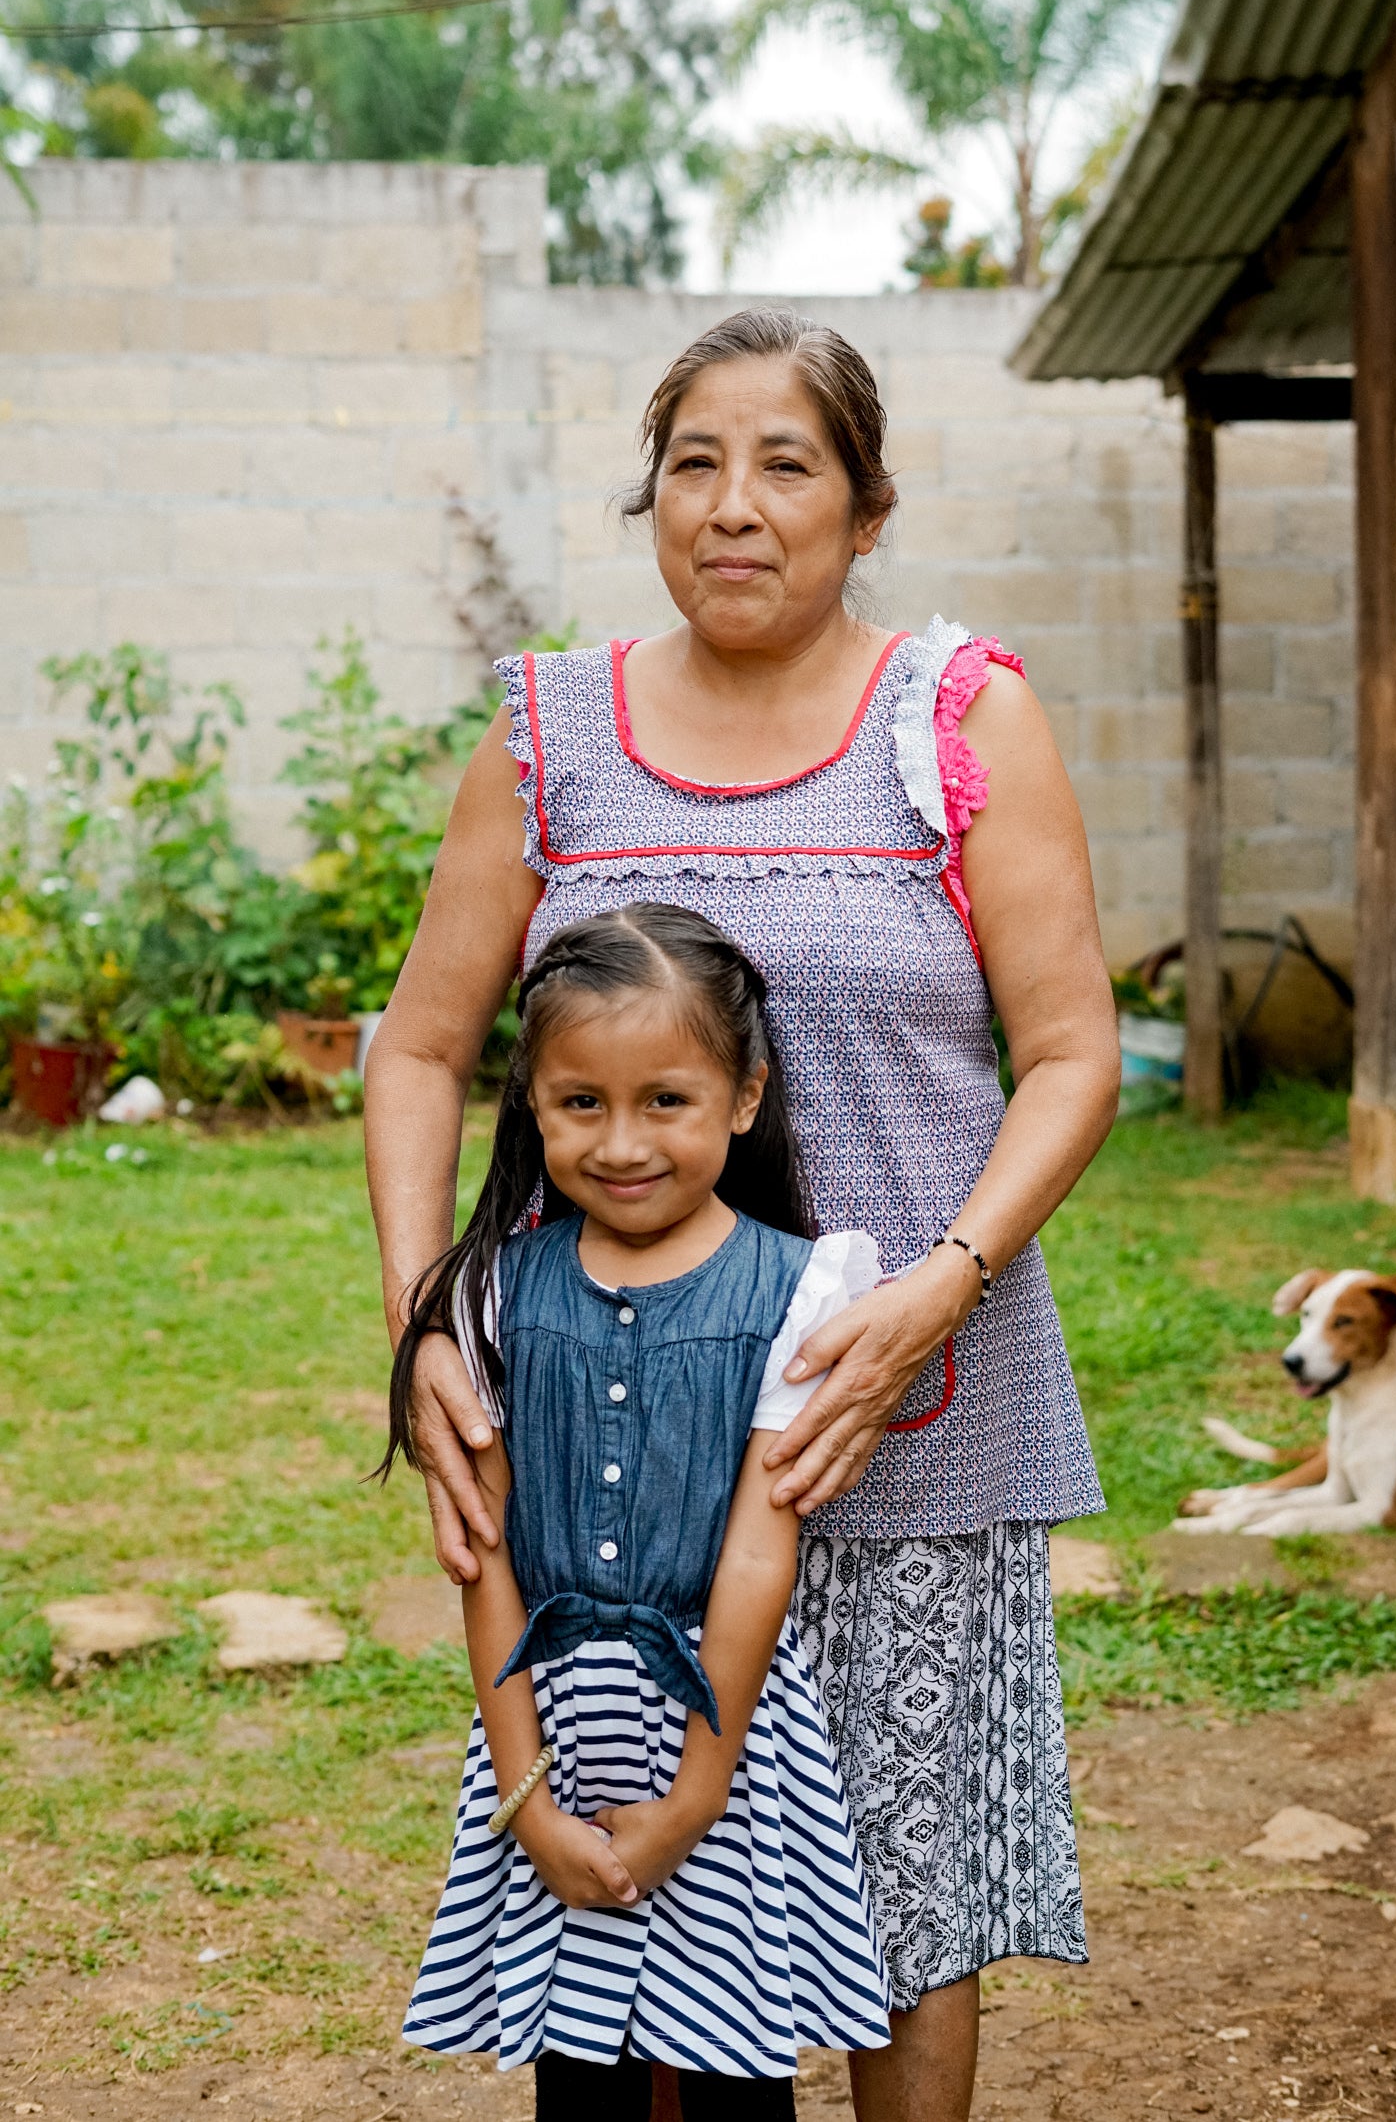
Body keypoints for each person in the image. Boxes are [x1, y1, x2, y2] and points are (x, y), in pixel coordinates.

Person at [365, 307, 1120, 2122]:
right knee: (641, 1881)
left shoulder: (960, 721)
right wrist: (426, 1341)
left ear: (865, 509)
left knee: (909, 1891)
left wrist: (937, 1290)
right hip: (615, 1418)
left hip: (904, 1405)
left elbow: (1074, 1052)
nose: (732, 504)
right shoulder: (550, 736)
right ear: (650, 500)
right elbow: (417, 1049)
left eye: (785, 464)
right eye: (693, 462)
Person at [386, 902, 893, 2110]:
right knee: (583, 2068)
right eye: (581, 1103)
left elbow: (758, 1555)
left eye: (665, 1099)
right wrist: (530, 1801)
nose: (622, 1143)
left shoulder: (803, 1287)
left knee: (730, 2069)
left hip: (723, 1736)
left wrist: (696, 1796)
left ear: (745, 1095)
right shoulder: (493, 1290)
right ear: (532, 1102)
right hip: (551, 1732)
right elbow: (487, 1554)